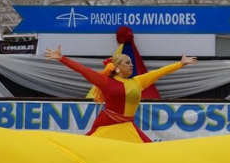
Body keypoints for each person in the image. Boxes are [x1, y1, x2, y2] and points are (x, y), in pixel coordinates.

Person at [44, 45, 197, 143]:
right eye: (127, 63)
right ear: (117, 66)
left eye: (131, 62)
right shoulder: (105, 81)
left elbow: (159, 73)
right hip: (106, 125)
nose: (131, 65)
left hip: (127, 126)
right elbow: (83, 70)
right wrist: (62, 58)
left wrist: (180, 64)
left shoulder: (138, 81)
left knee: (149, 153)